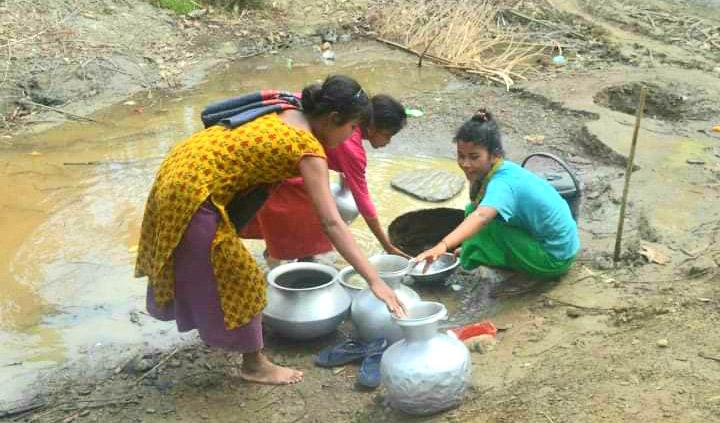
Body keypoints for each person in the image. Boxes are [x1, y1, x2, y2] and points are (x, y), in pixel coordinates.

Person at [135, 75, 406, 386]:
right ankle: (254, 365)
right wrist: (374, 280)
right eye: (350, 128)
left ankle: (220, 331)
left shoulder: (288, 108)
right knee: (245, 278)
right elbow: (332, 222)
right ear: (333, 118)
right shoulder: (308, 148)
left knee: (218, 265)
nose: (350, 136)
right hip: (191, 193)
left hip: (179, 169)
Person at [240, 95, 409, 264]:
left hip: (282, 162)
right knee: (299, 220)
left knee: (304, 220)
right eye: (387, 135)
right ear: (371, 127)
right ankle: (278, 264)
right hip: (284, 172)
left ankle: (298, 256)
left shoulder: (342, 119)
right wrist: (387, 245)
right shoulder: (350, 147)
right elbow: (364, 205)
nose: (388, 142)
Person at [415, 109, 579, 281]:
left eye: (474, 157)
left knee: (483, 224)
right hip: (560, 246)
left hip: (554, 259)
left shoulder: (503, 183)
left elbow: (481, 216)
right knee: (472, 210)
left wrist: (442, 246)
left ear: (495, 155)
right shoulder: (500, 168)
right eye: (461, 156)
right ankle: (477, 249)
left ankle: (479, 253)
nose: (465, 164)